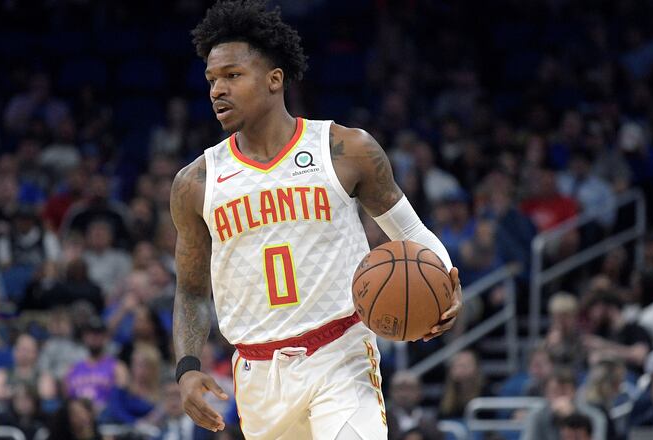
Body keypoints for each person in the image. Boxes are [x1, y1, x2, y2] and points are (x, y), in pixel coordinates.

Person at [170, 1, 462, 438]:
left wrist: (447, 282)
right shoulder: (195, 182)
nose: (217, 90)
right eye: (212, 79)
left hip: (340, 354)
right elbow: (192, 291)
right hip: (257, 373)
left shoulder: (345, 149)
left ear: (274, 79)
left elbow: (412, 232)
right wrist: (187, 369)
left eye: (232, 76)